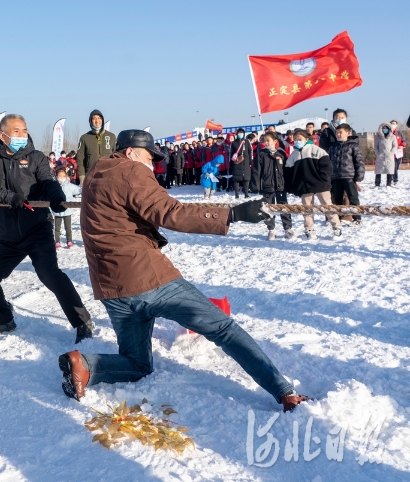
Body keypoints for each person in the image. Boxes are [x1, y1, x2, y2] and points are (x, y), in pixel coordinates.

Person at [59, 128, 309, 412]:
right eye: (149, 157)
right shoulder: (131, 170)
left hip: (112, 288)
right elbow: (171, 212)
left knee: (137, 363)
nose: (152, 164)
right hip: (147, 278)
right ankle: (284, 391)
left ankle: (84, 365)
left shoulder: (95, 173)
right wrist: (233, 214)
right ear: (130, 152)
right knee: (223, 328)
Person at [0, 114, 94, 342]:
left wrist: (57, 197)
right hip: (10, 236)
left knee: (49, 275)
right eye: (17, 131)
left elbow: (47, 181)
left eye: (24, 130)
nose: (23, 134)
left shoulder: (36, 157)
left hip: (37, 230)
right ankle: (3, 321)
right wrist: (11, 198)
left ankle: (82, 321)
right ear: (3, 135)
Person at [284, 129, 341, 240]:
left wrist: (323, 179)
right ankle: (309, 229)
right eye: (295, 140)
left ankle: (337, 227)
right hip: (304, 187)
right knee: (307, 208)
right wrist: (292, 186)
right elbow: (288, 172)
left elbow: (327, 166)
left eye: (299, 139)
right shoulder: (293, 155)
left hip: (320, 184)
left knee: (327, 205)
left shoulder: (316, 150)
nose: (297, 141)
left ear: (306, 139)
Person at [251, 132, 293, 240]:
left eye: (267, 140)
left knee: (283, 207)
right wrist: (256, 185)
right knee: (268, 208)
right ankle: (271, 230)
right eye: (264, 140)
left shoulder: (281, 153)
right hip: (267, 186)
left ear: (275, 142)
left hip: (281, 186)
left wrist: (288, 184)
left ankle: (288, 228)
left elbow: (286, 170)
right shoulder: (262, 154)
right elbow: (257, 171)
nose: (265, 142)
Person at [328, 124, 365, 226]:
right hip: (335, 177)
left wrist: (358, 177)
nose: (338, 135)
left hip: (349, 176)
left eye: (341, 132)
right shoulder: (332, 147)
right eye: (337, 132)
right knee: (336, 198)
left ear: (348, 133)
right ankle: (339, 217)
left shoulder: (353, 146)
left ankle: (357, 217)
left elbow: (359, 162)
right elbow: (329, 163)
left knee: (353, 198)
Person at [76, 109, 117, 182]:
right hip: (91, 177)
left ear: (102, 120)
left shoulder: (111, 136)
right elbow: (80, 159)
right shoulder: (84, 138)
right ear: (90, 121)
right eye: (94, 118)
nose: (97, 121)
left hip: (108, 176)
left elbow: (116, 156)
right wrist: (82, 178)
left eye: (99, 118)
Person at [53, 167, 80, 248]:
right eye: (59, 176)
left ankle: (69, 241)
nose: (61, 178)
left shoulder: (69, 186)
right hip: (57, 211)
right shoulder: (54, 186)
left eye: (63, 176)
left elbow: (78, 189)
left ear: (66, 176)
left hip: (67, 210)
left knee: (68, 227)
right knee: (57, 228)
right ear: (56, 176)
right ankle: (57, 241)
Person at [230, 128, 253, 198]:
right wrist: (232, 162)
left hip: (245, 162)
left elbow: (250, 151)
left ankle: (246, 194)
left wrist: (250, 161)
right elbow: (231, 153)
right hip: (237, 162)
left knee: (246, 179)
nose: (240, 134)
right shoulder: (233, 143)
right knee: (236, 179)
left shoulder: (247, 142)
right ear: (237, 134)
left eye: (242, 133)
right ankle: (236, 194)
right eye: (239, 133)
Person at [374, 123, 397, 188]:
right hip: (380, 155)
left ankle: (388, 184)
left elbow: (395, 146)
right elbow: (375, 146)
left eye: (386, 128)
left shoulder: (392, 136)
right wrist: (378, 153)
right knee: (378, 170)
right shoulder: (378, 136)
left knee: (389, 170)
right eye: (383, 128)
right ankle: (377, 184)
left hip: (389, 156)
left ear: (389, 129)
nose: (385, 129)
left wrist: (391, 153)